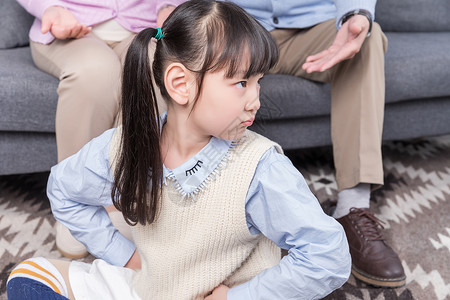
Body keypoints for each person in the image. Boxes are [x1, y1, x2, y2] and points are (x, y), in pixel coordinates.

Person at [6, 1, 352, 299]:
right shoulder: (127, 142)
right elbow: (63, 189)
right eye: (242, 83)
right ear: (180, 84)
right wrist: (125, 257)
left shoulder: (260, 168)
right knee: (30, 275)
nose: (255, 101)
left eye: (258, 82)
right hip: (152, 285)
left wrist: (239, 296)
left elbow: (328, 256)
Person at [225, 0, 406, 288]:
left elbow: (357, 18)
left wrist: (356, 14)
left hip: (314, 26)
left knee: (369, 38)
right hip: (238, 28)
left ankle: (352, 208)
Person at [15, 0, 186, 259]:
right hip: (67, 25)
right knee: (95, 72)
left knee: (158, 68)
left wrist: (170, 6)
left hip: (143, 26)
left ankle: (130, 196)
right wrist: (50, 8)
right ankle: (75, 199)